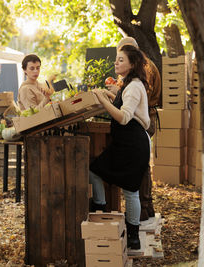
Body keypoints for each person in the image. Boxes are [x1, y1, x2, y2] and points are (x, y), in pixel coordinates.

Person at [90, 45, 151, 250]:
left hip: (133, 144)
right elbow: (124, 106)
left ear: (132, 64)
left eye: (121, 60)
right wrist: (109, 97)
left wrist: (101, 99)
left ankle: (133, 237)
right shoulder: (128, 84)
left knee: (130, 190)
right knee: (95, 171)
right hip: (125, 143)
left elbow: (124, 117)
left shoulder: (133, 86)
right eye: (116, 59)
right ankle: (99, 210)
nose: (116, 63)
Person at [106, 37, 161, 221]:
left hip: (143, 122)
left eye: (122, 57)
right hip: (139, 122)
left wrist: (114, 95)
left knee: (140, 169)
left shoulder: (145, 69)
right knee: (138, 170)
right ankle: (144, 209)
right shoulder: (136, 72)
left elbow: (134, 101)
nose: (117, 61)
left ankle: (144, 209)